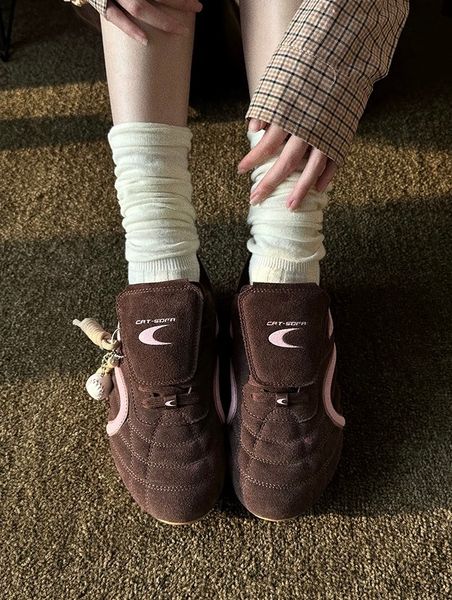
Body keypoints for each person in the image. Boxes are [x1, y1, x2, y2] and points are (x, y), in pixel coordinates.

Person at [68, 0, 410, 523]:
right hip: (169, 55)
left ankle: (283, 265)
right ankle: (160, 261)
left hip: (318, 46)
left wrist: (341, 33)